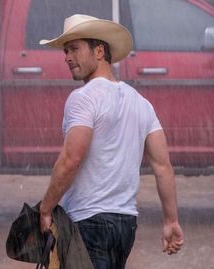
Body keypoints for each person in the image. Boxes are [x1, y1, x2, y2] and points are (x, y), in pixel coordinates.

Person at [39, 14, 184, 269]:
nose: (67, 57)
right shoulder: (141, 103)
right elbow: (163, 167)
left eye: (74, 48)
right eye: (65, 51)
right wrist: (171, 220)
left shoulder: (83, 98)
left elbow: (71, 159)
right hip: (125, 224)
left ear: (99, 51)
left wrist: (45, 208)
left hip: (88, 221)